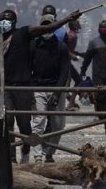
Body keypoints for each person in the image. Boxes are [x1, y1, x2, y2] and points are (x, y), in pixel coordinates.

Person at [0, 8, 81, 164]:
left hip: (23, 87)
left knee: (24, 125)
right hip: (7, 87)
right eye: (1, 19)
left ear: (14, 22)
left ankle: (26, 152)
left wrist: (68, 18)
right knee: (7, 123)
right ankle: (12, 159)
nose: (4, 22)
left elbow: (47, 28)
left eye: (7, 19)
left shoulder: (23, 33)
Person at [29, 14, 70, 163]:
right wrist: (31, 90)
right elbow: (28, 69)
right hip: (38, 88)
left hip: (55, 88)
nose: (46, 28)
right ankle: (38, 156)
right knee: (38, 123)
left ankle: (50, 152)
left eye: (49, 24)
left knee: (58, 125)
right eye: (44, 24)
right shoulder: (34, 45)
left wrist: (57, 93)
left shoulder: (61, 47)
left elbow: (64, 72)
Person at [81, 20, 106, 86]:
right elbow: (87, 59)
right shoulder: (93, 42)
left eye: (105, 27)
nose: (104, 29)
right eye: (102, 27)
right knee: (99, 93)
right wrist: (83, 70)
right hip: (98, 74)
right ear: (98, 29)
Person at [66, 19, 85, 110]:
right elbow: (65, 49)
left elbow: (70, 49)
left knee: (75, 81)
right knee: (76, 80)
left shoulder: (72, 35)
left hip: (67, 62)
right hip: (65, 62)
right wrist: (74, 56)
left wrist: (80, 54)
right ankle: (70, 103)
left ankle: (71, 102)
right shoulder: (71, 36)